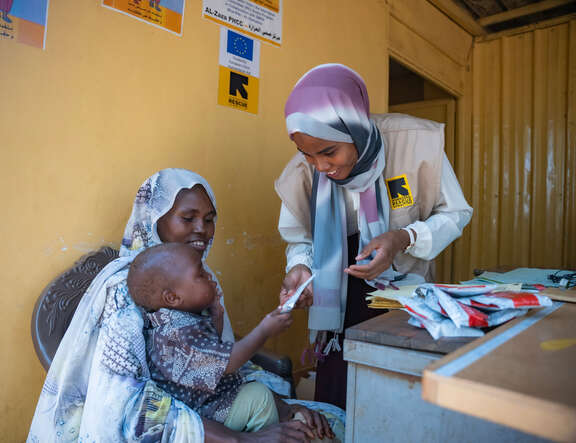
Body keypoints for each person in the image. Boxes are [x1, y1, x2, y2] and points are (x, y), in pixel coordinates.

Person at [28, 168, 344, 442]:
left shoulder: (200, 281)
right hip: (174, 430)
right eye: (187, 218)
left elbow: (217, 360)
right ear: (154, 219)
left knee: (333, 425)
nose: (202, 230)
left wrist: (285, 406)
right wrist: (242, 439)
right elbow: (127, 406)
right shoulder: (122, 293)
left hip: (214, 408)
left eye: (209, 219)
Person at [275, 64, 473, 409]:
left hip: (404, 292)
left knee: (396, 392)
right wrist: (301, 268)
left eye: (328, 152)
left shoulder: (414, 143)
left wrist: (404, 237)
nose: (320, 167)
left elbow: (456, 213)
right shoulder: (302, 171)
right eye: (306, 153)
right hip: (338, 298)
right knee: (341, 391)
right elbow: (300, 238)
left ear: (355, 130)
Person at [129, 243, 319, 435]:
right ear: (172, 298)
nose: (209, 276)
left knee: (256, 391)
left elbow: (209, 350)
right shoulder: (176, 333)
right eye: (200, 274)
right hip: (204, 414)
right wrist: (264, 330)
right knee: (259, 398)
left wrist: (216, 318)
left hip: (210, 401)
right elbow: (226, 363)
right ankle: (271, 436)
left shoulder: (182, 319)